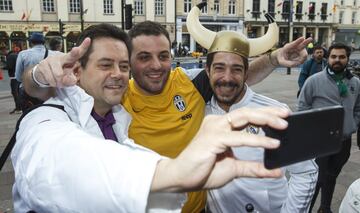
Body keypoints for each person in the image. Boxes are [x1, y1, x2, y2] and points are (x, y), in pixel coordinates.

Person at [22, 7, 310, 212]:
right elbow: (53, 141)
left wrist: (273, 58)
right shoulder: (117, 98)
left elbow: (227, 78)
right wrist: (37, 76)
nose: (156, 65)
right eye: (143, 57)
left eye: (163, 56)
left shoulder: (187, 86)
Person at [186, 9, 318, 212]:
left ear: (246, 72)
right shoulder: (198, 111)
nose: (227, 77)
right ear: (207, 71)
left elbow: (306, 172)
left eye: (237, 69)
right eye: (219, 68)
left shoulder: (274, 111)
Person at [298, 43, 360, 213]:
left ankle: (324, 208)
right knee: (316, 179)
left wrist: (352, 124)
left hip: (343, 141)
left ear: (347, 58)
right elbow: (303, 108)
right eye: (333, 56)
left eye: (341, 57)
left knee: (332, 175)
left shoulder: (355, 82)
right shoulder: (314, 81)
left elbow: (358, 108)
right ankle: (306, 209)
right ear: (328, 58)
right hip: (320, 142)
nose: (337, 60)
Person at [15, 32, 56, 110]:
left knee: (29, 115)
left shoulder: (23, 54)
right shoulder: (52, 54)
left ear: (31, 42)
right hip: (47, 92)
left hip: (28, 91)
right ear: (43, 42)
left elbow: (18, 77)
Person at [5, 46, 22, 114]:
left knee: (15, 93)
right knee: (18, 92)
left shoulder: (10, 56)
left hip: (14, 77)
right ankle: (20, 107)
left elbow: (10, 66)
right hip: (19, 76)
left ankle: (18, 108)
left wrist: (4, 67)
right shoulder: (17, 55)